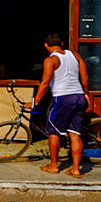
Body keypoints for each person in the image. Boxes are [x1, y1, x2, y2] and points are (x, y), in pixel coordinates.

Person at [33, 33, 91, 178]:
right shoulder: (75, 55)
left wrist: (35, 102)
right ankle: (76, 169)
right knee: (75, 133)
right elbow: (84, 77)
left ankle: (53, 166)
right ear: (62, 43)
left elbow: (45, 83)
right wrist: (86, 94)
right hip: (78, 96)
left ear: (46, 46)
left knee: (54, 132)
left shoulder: (50, 60)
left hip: (62, 98)